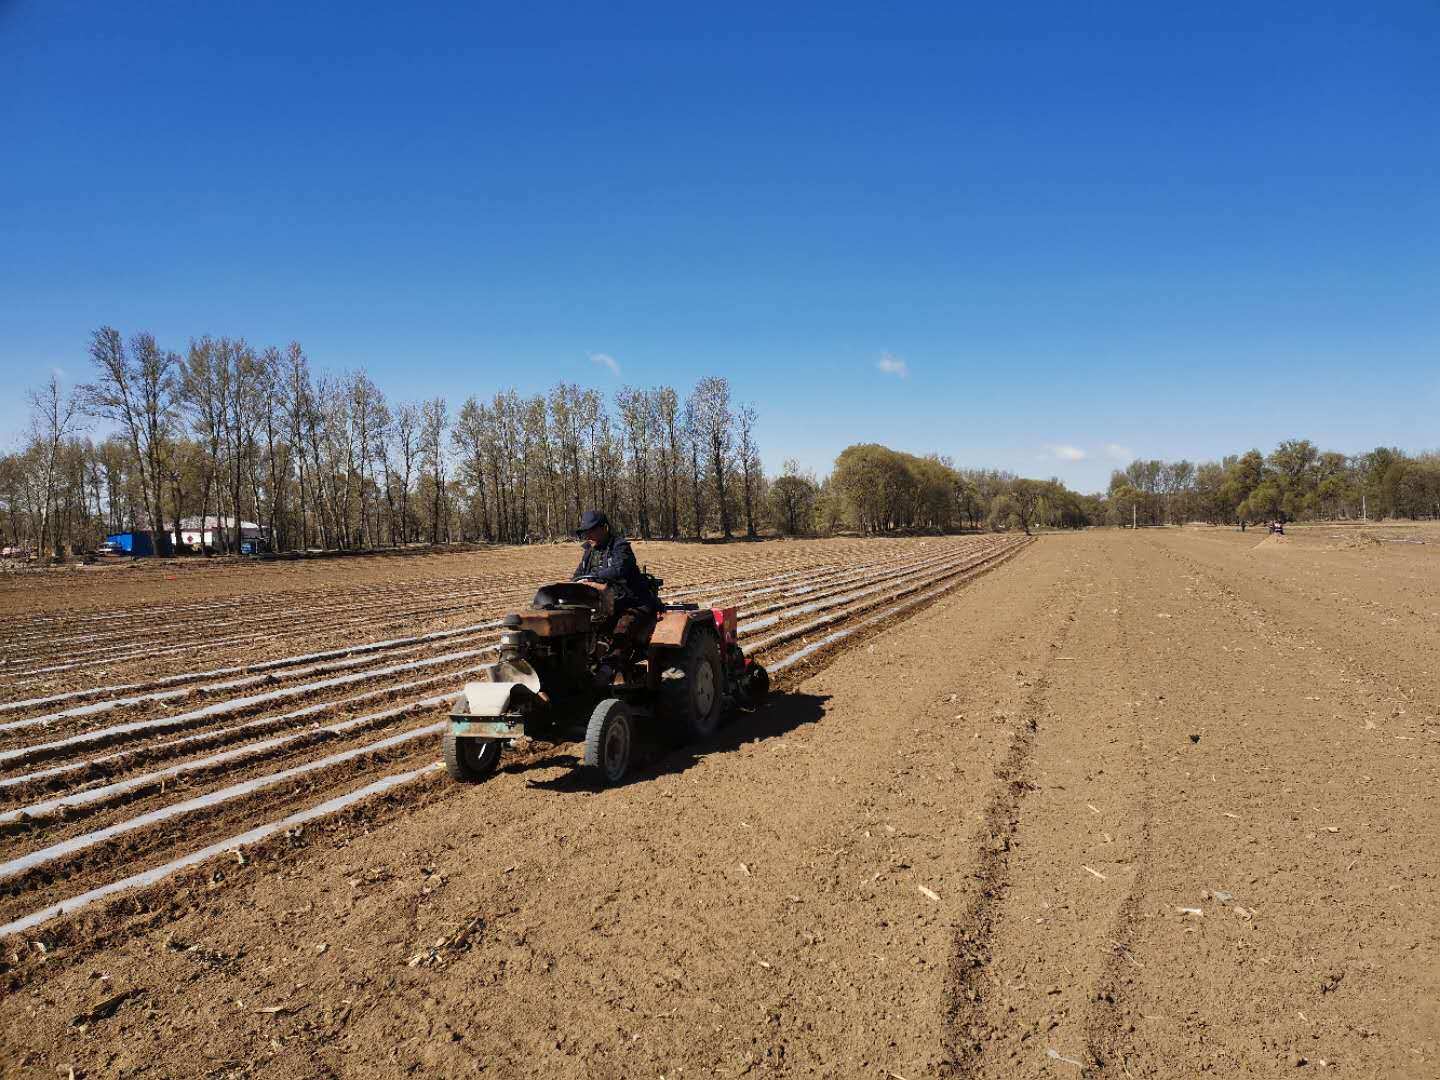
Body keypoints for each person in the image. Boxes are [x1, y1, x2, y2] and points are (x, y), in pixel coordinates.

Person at [572, 510, 660, 685]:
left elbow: (618, 570)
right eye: (586, 532)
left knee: (622, 628)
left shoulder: (620, 547)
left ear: (604, 528)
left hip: (634, 603)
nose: (588, 535)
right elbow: (577, 575)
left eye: (592, 530)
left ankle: (607, 671)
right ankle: (587, 666)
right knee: (586, 630)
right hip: (605, 606)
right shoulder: (589, 551)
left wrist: (593, 578)